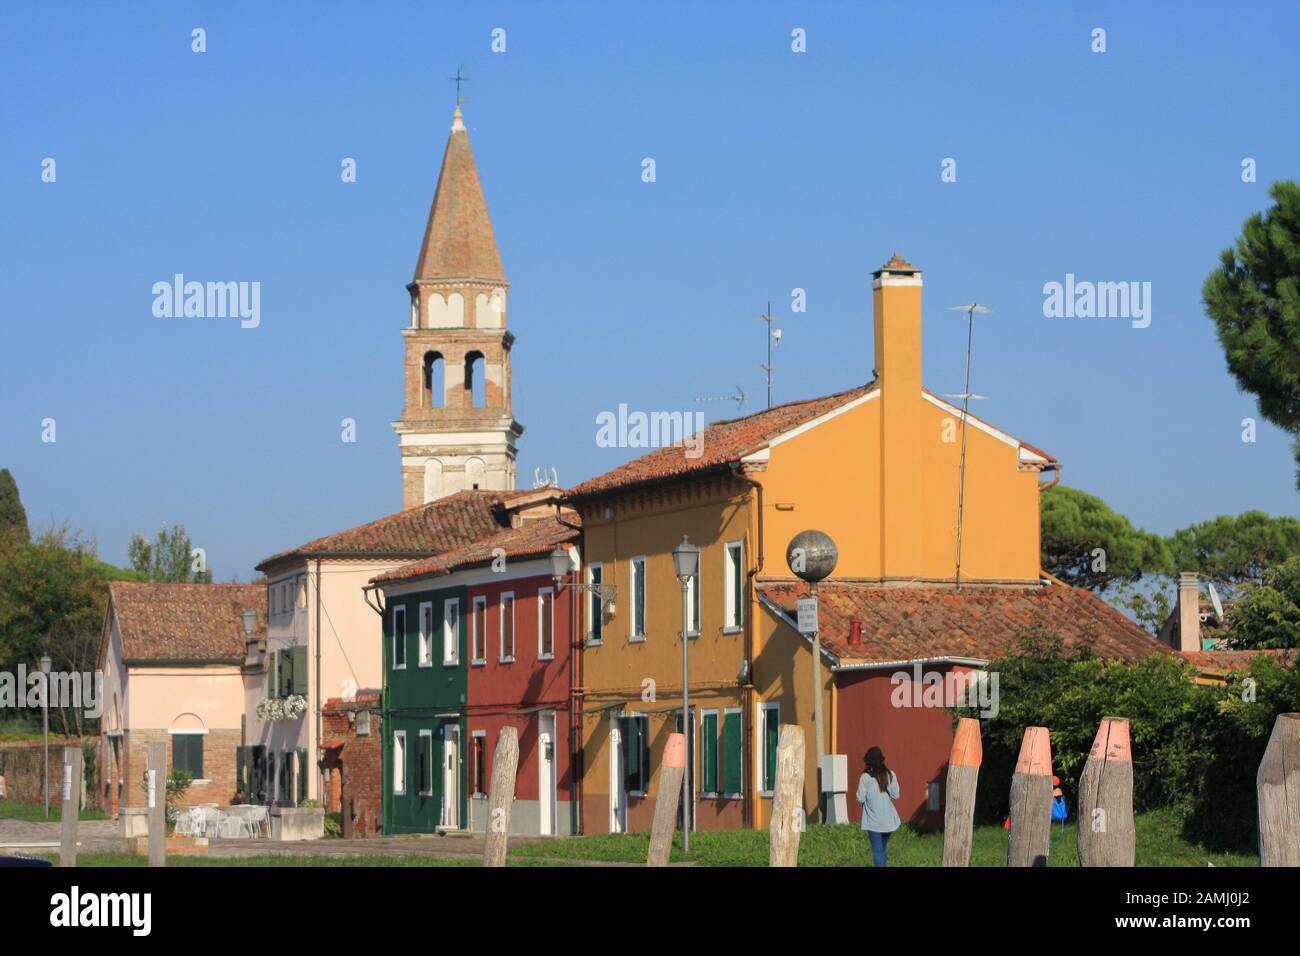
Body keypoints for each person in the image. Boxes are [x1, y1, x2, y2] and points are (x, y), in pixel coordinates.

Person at [856, 746, 901, 867]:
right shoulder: (890, 774)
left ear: (868, 762)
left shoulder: (865, 777)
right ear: (882, 760)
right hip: (889, 821)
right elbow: (896, 795)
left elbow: (860, 798)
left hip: (873, 822)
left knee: (878, 851)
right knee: (881, 849)